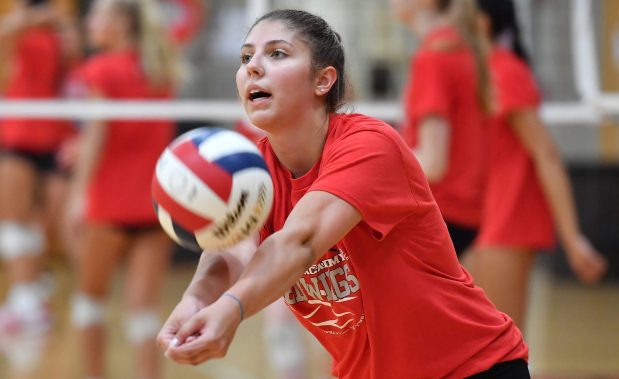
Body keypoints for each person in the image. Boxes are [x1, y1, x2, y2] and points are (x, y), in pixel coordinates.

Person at [159, 9, 531, 378]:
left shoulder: (369, 143)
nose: (253, 67)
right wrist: (194, 301)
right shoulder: (253, 169)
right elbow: (231, 248)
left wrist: (232, 309)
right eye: (246, 57)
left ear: (323, 80)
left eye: (277, 53)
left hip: (470, 369)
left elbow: (299, 241)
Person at [467, 0, 608, 329]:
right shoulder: (478, 73)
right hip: (482, 217)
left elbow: (546, 153)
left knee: (501, 343)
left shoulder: (505, 72)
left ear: (482, 24)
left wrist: (572, 238)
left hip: (508, 219)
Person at [65, 0, 177, 378]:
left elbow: (98, 136)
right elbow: (136, 133)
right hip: (153, 203)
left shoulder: (100, 68)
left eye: (99, 15)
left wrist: (77, 198)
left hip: (108, 204)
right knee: (144, 312)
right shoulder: (162, 68)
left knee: (89, 302)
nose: (90, 22)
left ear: (122, 25)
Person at [390, 0, 490, 255]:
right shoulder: (459, 47)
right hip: (459, 215)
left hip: (437, 213)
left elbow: (434, 164)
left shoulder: (434, 57)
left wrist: (370, 164)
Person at [0, 0, 75, 336]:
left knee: (52, 225)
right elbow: (5, 35)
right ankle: (25, 300)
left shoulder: (62, 24)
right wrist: (34, 17)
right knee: (14, 221)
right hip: (18, 134)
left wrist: (59, 21)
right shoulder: (17, 22)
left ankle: (31, 288)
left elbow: (75, 56)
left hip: (56, 135)